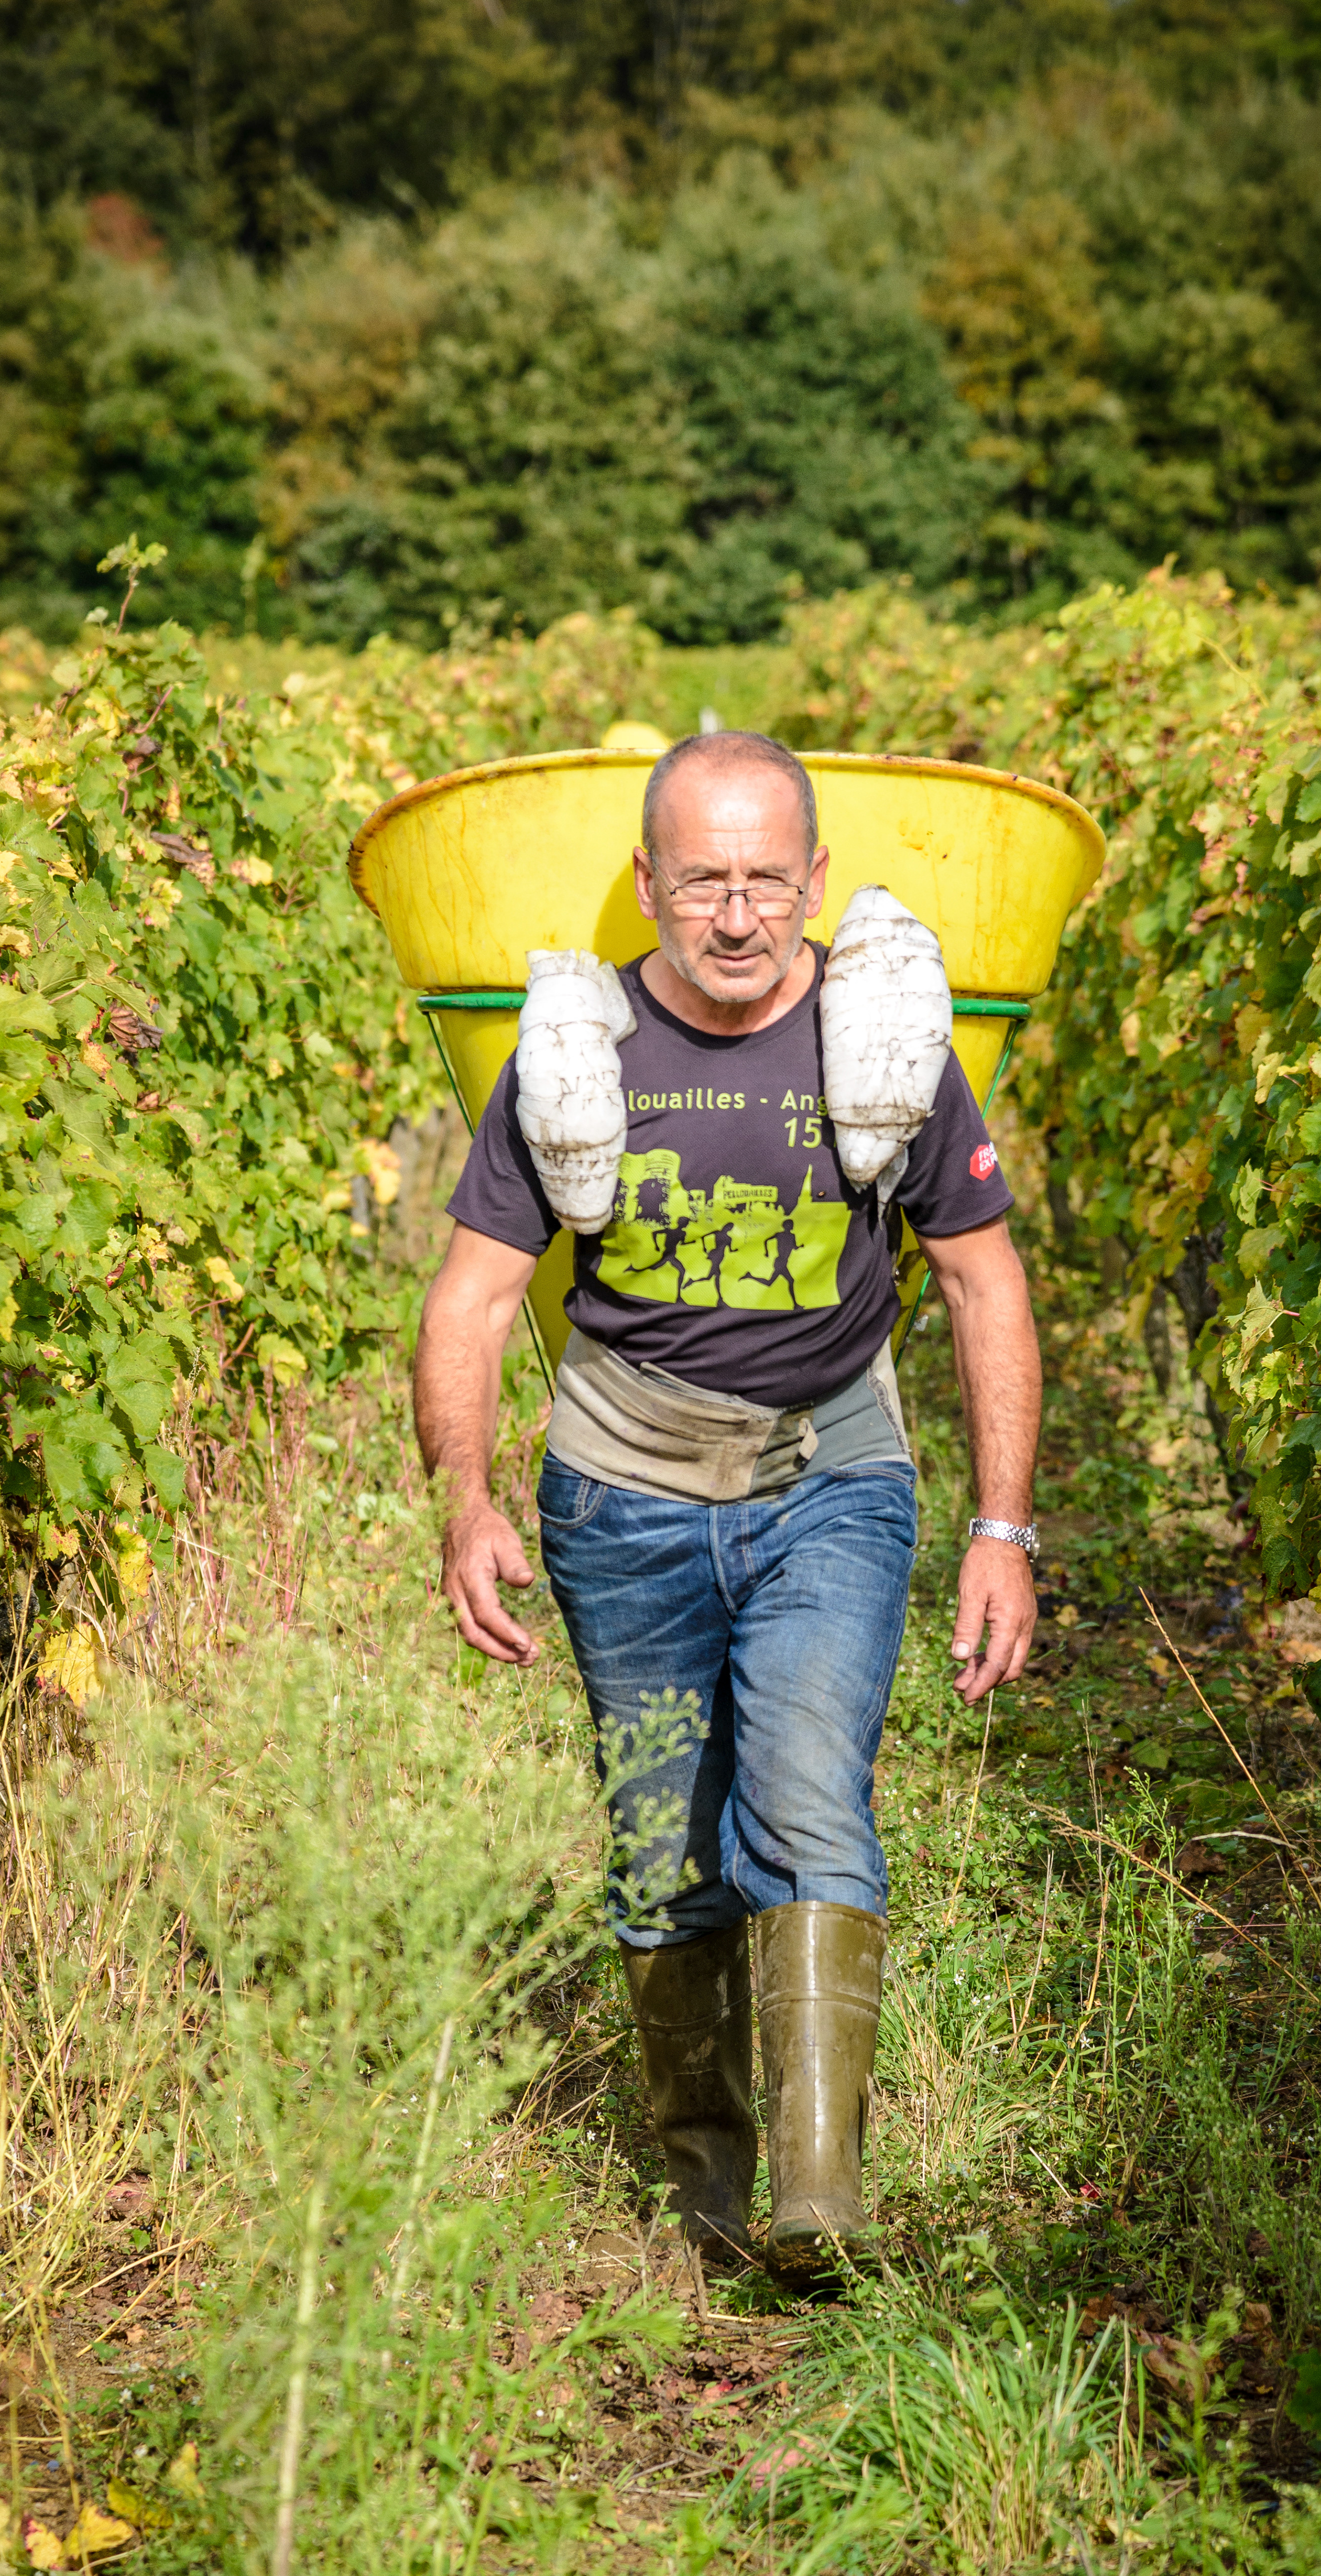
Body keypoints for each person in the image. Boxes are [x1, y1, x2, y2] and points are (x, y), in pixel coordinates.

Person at [412, 731, 1040, 2277]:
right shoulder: (580, 1054)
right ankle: (704, 2190)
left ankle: (819, 2201)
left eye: (771, 879)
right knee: (660, 1851)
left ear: (817, 882)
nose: (742, 915)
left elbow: (979, 1276)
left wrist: (1003, 1527)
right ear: (650, 888)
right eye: (706, 882)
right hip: (619, 1495)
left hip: (831, 1477)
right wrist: (466, 1503)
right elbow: (475, 1301)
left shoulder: (885, 1040)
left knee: (810, 1795)